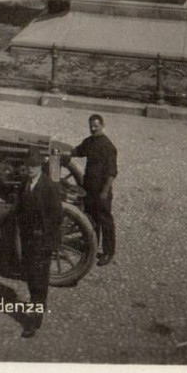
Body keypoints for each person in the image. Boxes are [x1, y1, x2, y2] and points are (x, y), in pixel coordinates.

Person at [16, 146, 62, 338]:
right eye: (29, 166)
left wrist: (49, 243)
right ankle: (36, 308)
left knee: (39, 281)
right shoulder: (25, 185)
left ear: (41, 167)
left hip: (42, 241)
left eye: (34, 166)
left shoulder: (49, 187)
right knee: (30, 277)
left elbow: (57, 217)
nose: (31, 169)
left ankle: (34, 321)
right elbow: (19, 209)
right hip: (28, 241)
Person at [70, 114, 118, 266]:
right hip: (89, 188)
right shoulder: (90, 141)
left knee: (105, 221)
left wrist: (104, 192)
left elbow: (111, 173)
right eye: (91, 126)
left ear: (102, 125)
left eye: (96, 126)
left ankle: (108, 252)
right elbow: (77, 151)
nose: (93, 128)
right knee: (91, 218)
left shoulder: (108, 147)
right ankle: (92, 245)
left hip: (101, 190)